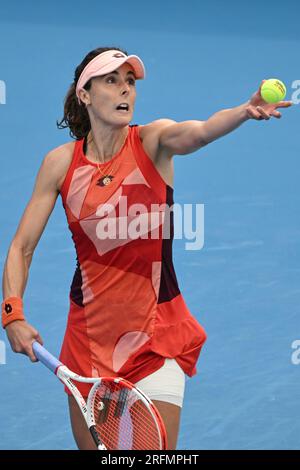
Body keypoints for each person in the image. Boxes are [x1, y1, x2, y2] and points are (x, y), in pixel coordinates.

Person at [1, 46, 293, 450]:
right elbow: (22, 247)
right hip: (88, 341)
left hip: (157, 338)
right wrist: (11, 313)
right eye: (111, 80)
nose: (125, 90)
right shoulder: (60, 163)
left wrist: (244, 111)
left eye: (130, 82)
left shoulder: (153, 141)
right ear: (85, 94)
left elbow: (201, 131)